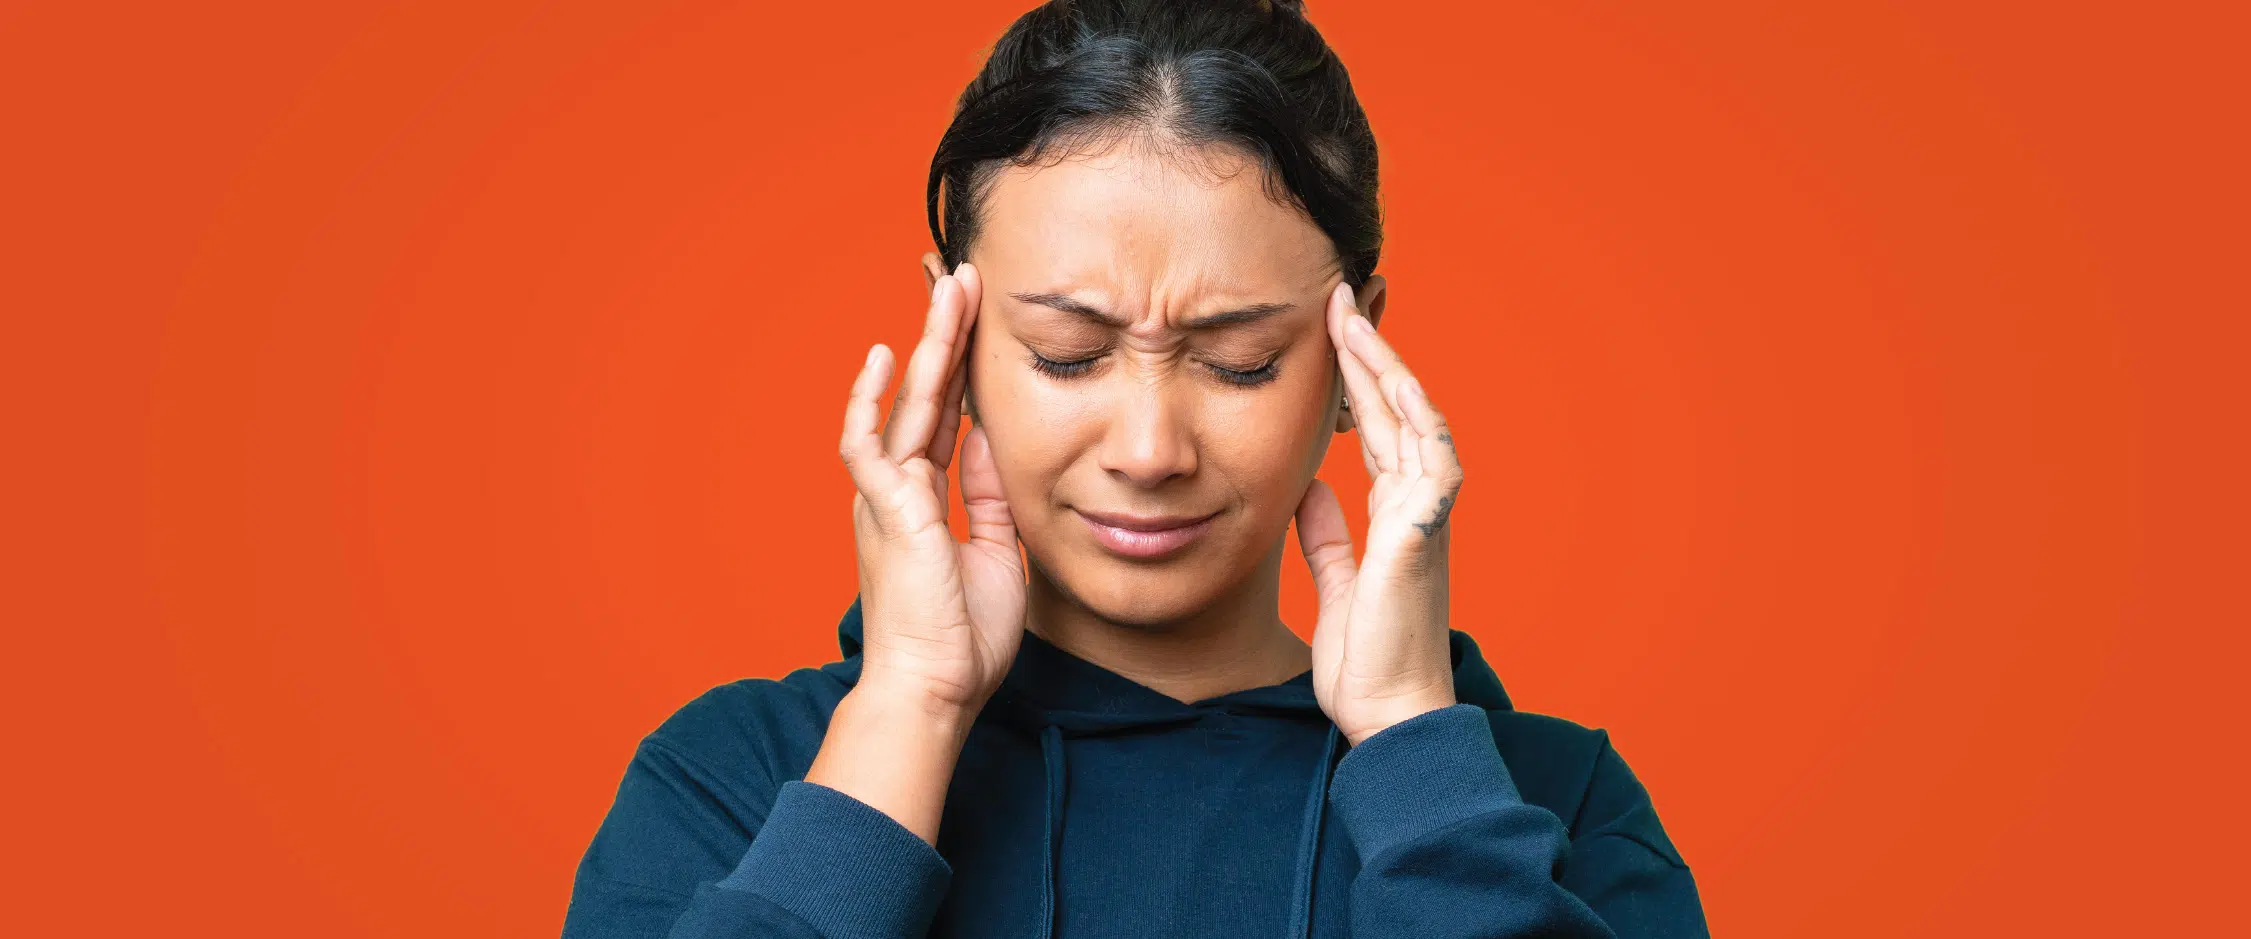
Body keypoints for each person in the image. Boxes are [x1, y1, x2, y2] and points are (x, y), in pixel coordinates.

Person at [561, 1, 1706, 936]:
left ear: (1357, 355)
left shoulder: (1545, 805)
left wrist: (1414, 742)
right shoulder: (737, 778)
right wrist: (908, 707)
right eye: (1068, 356)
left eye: (1240, 363)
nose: (1150, 451)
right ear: (951, 342)